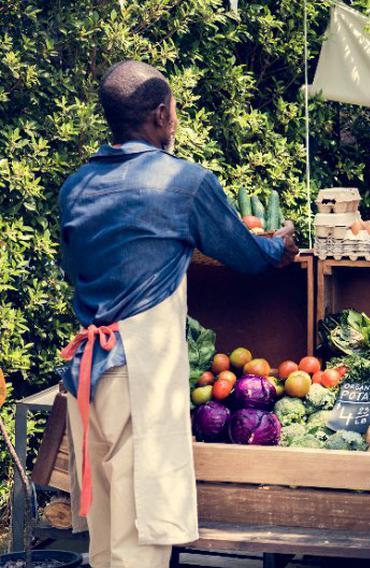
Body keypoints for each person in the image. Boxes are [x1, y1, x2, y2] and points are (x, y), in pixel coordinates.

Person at [57, 60, 297, 567]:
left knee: (105, 527)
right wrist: (281, 247)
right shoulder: (183, 183)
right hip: (136, 373)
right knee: (140, 529)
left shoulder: (75, 186)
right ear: (162, 115)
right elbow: (244, 254)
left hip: (86, 374)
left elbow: (74, 269)